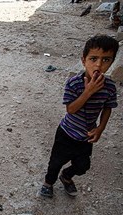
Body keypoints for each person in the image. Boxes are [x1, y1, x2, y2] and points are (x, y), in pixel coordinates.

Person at [40, 35, 119, 198]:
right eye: (93, 59)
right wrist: (88, 91)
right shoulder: (74, 83)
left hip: (86, 136)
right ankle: (48, 183)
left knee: (83, 166)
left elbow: (108, 108)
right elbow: (71, 109)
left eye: (106, 60)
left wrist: (100, 128)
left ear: (112, 62)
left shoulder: (109, 87)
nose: (98, 64)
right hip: (66, 133)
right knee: (55, 163)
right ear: (84, 60)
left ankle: (66, 176)